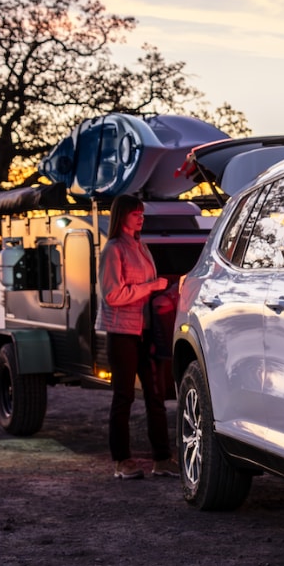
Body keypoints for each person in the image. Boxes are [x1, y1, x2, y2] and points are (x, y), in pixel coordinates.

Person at [99, 193, 176, 480]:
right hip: (121, 333)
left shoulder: (141, 246)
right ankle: (122, 461)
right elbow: (112, 295)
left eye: (142, 212)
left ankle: (162, 459)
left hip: (146, 332)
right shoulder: (113, 250)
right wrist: (151, 286)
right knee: (124, 397)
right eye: (135, 213)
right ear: (122, 216)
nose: (141, 217)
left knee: (156, 396)